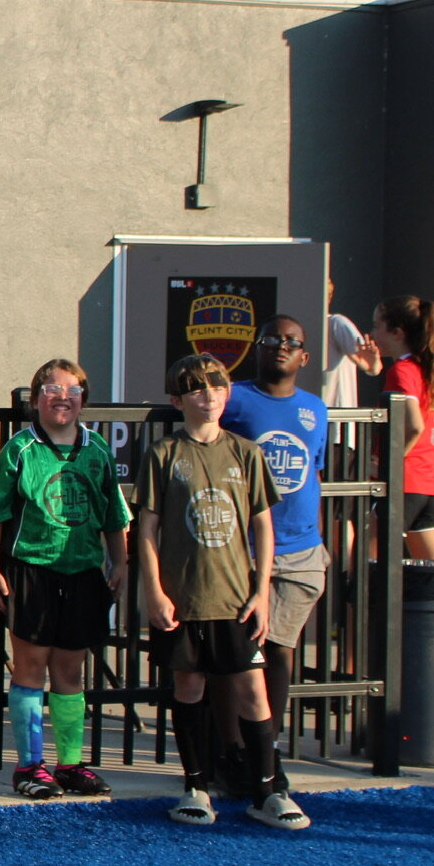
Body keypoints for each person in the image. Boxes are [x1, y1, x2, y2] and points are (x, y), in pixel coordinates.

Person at [138, 354, 307, 831]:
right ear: (177, 399)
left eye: (215, 385)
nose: (207, 394)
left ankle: (267, 790)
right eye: (194, 388)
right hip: (184, 597)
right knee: (188, 686)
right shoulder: (164, 455)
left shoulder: (245, 453)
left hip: (235, 598)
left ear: (227, 394)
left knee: (253, 691)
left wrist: (261, 590)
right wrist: (153, 590)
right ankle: (196, 785)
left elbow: (263, 526)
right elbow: (147, 529)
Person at [0, 358, 129, 801]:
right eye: (51, 389)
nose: (62, 397)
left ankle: (69, 763)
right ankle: (29, 766)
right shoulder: (20, 450)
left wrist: (118, 561)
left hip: (82, 572)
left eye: (72, 390)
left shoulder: (98, 450)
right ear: (35, 399)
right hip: (32, 571)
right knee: (30, 668)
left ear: (84, 399)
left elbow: (112, 514)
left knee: (70, 671)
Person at [219, 317, 328, 796]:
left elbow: (313, 467)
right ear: (255, 349)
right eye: (271, 340)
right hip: (242, 552)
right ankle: (229, 750)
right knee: (236, 655)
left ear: (304, 356)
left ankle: (268, 747)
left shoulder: (314, 408)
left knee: (280, 651)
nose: (280, 347)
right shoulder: (237, 399)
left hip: (301, 549)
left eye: (291, 343)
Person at [370, 295, 434, 561]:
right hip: (431, 485)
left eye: (377, 326)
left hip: (403, 483)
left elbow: (414, 427)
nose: (372, 334)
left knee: (367, 568)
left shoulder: (403, 370)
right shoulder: (431, 370)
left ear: (397, 333)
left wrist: (385, 465)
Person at [323, 281, 381, 408]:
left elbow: (372, 366)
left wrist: (371, 364)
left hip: (337, 420)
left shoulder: (336, 323)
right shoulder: (294, 328)